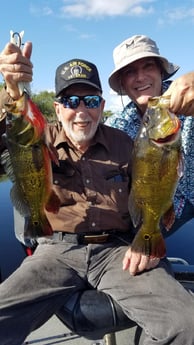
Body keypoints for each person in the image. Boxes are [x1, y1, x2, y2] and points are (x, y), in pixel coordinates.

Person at [0, 40, 194, 345]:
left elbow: (153, 184)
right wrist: (10, 90)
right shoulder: (38, 137)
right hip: (55, 250)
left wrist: (147, 237)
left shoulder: (127, 139)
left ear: (102, 105)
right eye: (70, 101)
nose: (80, 112)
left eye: (90, 101)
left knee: (187, 325)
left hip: (117, 251)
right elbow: (10, 135)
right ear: (57, 106)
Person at [106, 34, 194, 236]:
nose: (140, 77)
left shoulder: (188, 93)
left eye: (148, 66)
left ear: (162, 72)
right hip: (164, 204)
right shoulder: (115, 127)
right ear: (122, 84)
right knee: (129, 241)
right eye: (130, 71)